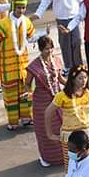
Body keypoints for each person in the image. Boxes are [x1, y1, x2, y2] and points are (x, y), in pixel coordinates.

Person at [0, 0, 42, 130]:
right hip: (7, 69)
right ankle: (13, 122)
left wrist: (42, 35)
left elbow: (30, 38)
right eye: (19, 8)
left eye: (23, 8)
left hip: (23, 68)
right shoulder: (3, 24)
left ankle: (27, 118)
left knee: (26, 93)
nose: (21, 11)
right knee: (10, 97)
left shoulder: (27, 22)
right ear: (13, 7)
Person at [32, 0, 86, 71]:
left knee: (77, 41)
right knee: (65, 43)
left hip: (74, 17)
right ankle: (68, 67)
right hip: (61, 17)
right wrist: (38, 13)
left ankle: (78, 66)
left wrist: (85, 13)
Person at [45, 65, 89, 166]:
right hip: (70, 137)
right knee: (72, 165)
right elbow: (48, 112)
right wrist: (50, 134)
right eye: (80, 78)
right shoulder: (62, 96)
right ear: (73, 79)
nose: (83, 81)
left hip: (88, 134)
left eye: (85, 77)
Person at [27, 36, 65, 167]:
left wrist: (73, 84)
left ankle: (63, 156)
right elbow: (27, 83)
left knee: (61, 126)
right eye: (46, 49)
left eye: (51, 48)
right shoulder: (34, 65)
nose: (49, 51)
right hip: (41, 102)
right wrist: (29, 92)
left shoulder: (57, 60)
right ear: (40, 49)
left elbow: (60, 79)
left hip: (58, 99)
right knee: (44, 130)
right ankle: (47, 158)